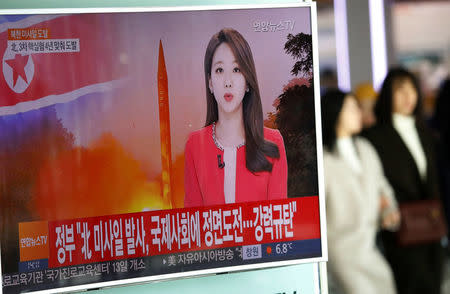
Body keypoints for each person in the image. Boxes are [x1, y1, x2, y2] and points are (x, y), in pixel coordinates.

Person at [184, 28, 288, 207]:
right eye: (219, 70)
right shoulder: (195, 145)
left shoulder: (273, 142)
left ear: (248, 81)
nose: (228, 81)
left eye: (236, 69)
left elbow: (278, 226)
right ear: (209, 82)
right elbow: (195, 226)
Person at [364, 67, 445, 294]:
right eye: (400, 90)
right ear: (388, 94)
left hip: (432, 227)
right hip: (401, 228)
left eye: (412, 89)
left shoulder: (425, 133)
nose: (408, 96)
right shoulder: (375, 136)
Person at [322, 89, 399, 294]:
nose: (358, 112)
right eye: (351, 108)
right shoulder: (323, 159)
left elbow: (383, 188)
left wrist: (388, 209)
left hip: (369, 246)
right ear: (335, 113)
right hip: (341, 251)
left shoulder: (365, 148)